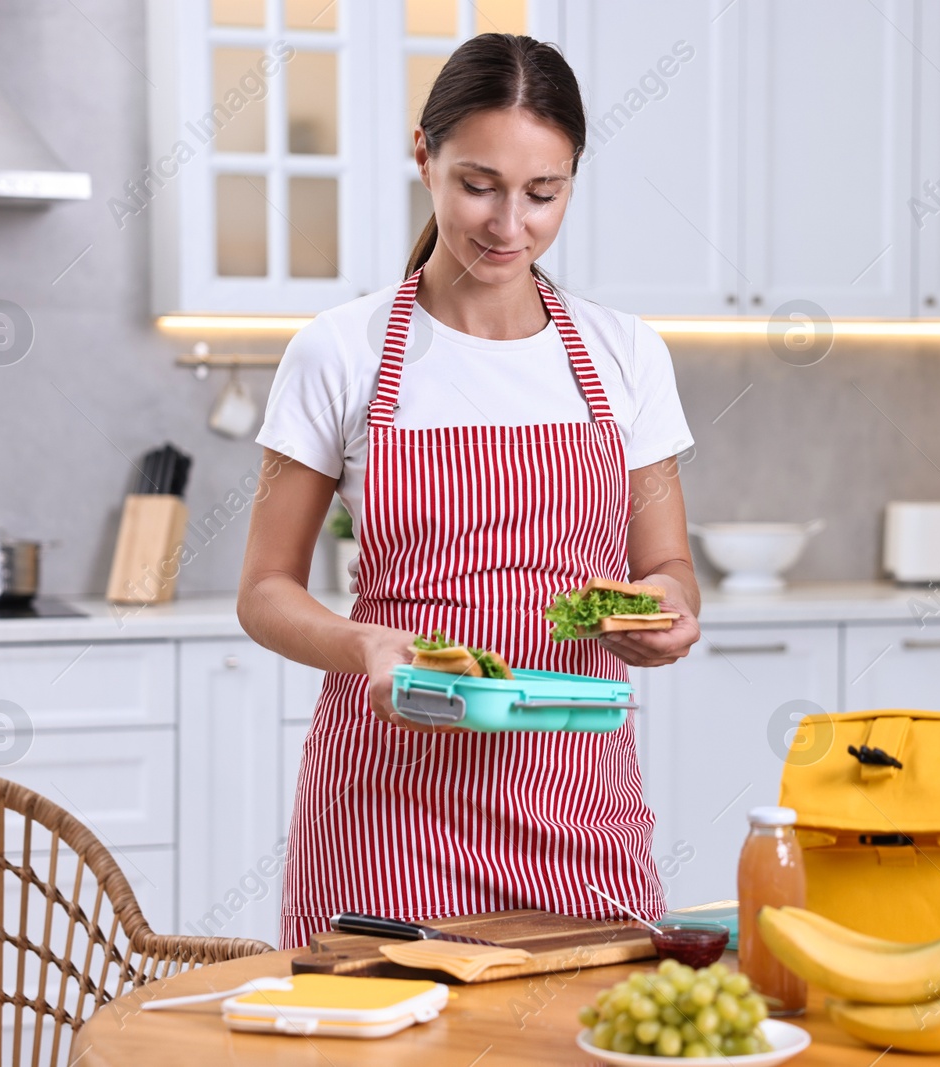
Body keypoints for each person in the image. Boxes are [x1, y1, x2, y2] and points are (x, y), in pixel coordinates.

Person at [238, 32, 701, 949]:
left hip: (578, 801)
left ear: (572, 178)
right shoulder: (340, 351)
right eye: (478, 184)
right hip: (389, 800)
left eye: (543, 193)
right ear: (425, 156)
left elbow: (669, 567)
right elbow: (263, 593)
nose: (508, 225)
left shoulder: (626, 354)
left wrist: (666, 610)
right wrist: (364, 643)